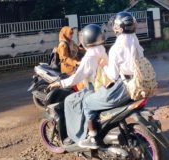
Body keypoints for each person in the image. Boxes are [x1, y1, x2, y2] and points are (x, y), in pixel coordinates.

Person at [78, 11, 144, 149]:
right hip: (139, 84)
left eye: (115, 25)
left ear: (119, 28)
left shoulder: (116, 48)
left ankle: (93, 137)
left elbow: (112, 76)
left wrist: (104, 65)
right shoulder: (136, 42)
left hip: (124, 87)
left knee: (88, 102)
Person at [47, 24, 109, 144]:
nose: (71, 35)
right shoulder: (101, 49)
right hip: (69, 68)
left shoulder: (78, 47)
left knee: (70, 101)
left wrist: (59, 83)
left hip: (90, 81)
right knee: (79, 91)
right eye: (70, 33)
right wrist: (77, 62)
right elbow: (64, 59)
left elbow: (77, 76)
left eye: (72, 33)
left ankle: (75, 134)